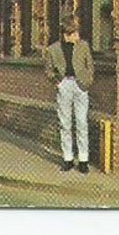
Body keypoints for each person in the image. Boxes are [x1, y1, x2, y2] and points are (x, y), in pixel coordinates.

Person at [44, 14, 94, 172]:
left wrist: (87, 81)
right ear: (67, 34)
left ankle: (84, 159)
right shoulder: (53, 50)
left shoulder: (83, 46)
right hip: (64, 84)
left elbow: (90, 65)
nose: (78, 36)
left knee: (81, 123)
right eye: (75, 33)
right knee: (65, 123)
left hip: (80, 86)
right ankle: (68, 158)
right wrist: (57, 82)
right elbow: (48, 70)